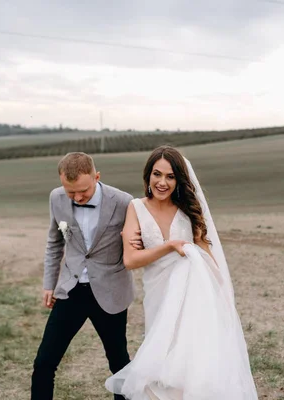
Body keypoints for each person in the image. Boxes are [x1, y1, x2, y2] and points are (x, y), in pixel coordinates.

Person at [105, 146, 258, 399]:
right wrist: (169, 246)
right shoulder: (136, 208)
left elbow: (207, 253)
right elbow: (131, 260)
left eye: (170, 176)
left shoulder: (189, 210)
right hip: (158, 295)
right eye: (157, 174)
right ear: (148, 176)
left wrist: (222, 296)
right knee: (161, 367)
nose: (162, 182)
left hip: (193, 297)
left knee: (190, 365)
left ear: (179, 180)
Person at [31, 152, 141, 400]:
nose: (77, 198)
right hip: (70, 291)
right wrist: (49, 284)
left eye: (83, 191)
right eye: (71, 192)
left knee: (119, 364)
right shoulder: (56, 198)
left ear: (97, 177)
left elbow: (139, 241)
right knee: (44, 362)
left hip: (110, 292)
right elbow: (54, 243)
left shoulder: (124, 201)